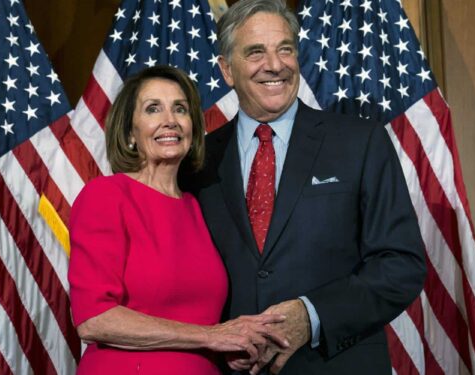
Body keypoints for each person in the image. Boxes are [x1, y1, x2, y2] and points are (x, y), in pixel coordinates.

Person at [181, 0, 427, 373]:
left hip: (335, 363)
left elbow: (401, 264)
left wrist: (311, 315)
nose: (275, 65)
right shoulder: (199, 161)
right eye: (256, 52)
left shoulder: (360, 142)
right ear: (227, 71)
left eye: (285, 49)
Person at [68, 66, 289, 375]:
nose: (169, 120)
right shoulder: (106, 196)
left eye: (180, 109)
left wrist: (229, 349)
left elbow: (200, 320)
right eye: (153, 109)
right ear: (130, 132)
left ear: (192, 128)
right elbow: (94, 319)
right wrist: (211, 336)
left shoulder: (197, 207)